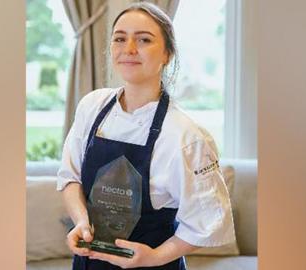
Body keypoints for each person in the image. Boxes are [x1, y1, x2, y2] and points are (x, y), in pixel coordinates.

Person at [56, 2, 235, 269]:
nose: (128, 49)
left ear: (167, 55)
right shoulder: (92, 107)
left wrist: (153, 257)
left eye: (144, 39)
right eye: (120, 38)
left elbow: (205, 223)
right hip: (88, 262)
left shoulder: (186, 137)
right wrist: (82, 222)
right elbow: (69, 178)